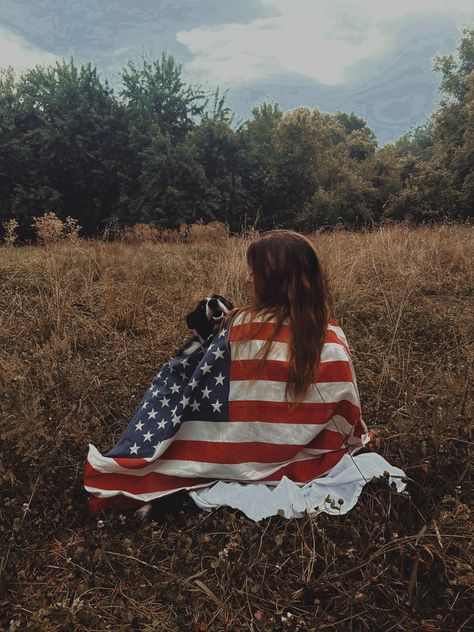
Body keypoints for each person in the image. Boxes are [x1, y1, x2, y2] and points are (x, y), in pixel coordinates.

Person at [85, 229, 405, 520]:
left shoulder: (237, 329)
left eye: (254, 273)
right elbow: (346, 416)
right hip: (310, 459)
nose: (250, 280)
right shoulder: (331, 336)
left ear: (271, 279)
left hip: (236, 455)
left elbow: (187, 385)